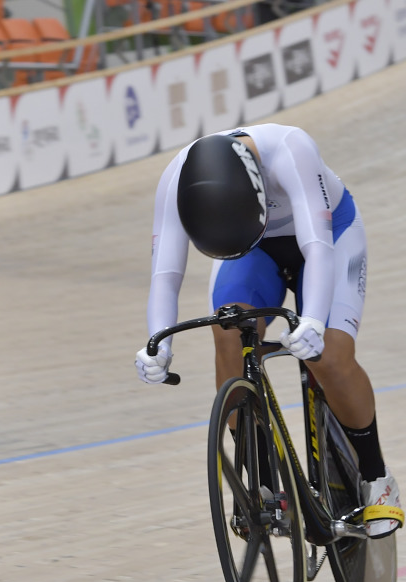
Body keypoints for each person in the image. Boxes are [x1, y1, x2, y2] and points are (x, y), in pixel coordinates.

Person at [136, 126, 403, 538]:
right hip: (250, 247)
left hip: (329, 235)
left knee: (329, 355)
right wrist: (159, 344)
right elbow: (165, 275)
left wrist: (312, 318)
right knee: (228, 334)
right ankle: (261, 484)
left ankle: (376, 476)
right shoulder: (175, 178)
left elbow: (318, 248)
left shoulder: (290, 150)